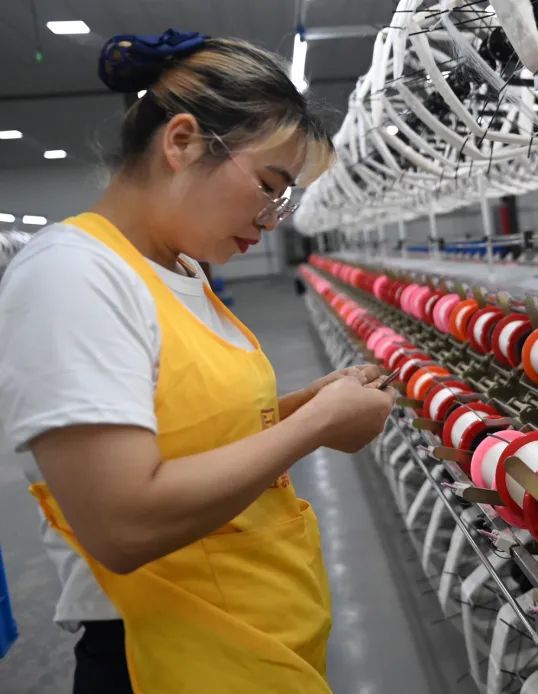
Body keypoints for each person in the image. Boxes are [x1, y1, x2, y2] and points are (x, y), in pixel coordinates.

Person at [0, 29, 394, 692]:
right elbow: (123, 524)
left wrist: (305, 406)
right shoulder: (72, 275)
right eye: (269, 186)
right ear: (181, 142)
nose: (273, 219)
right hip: (166, 653)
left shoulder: (181, 271)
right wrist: (315, 427)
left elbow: (190, 434)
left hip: (250, 639)